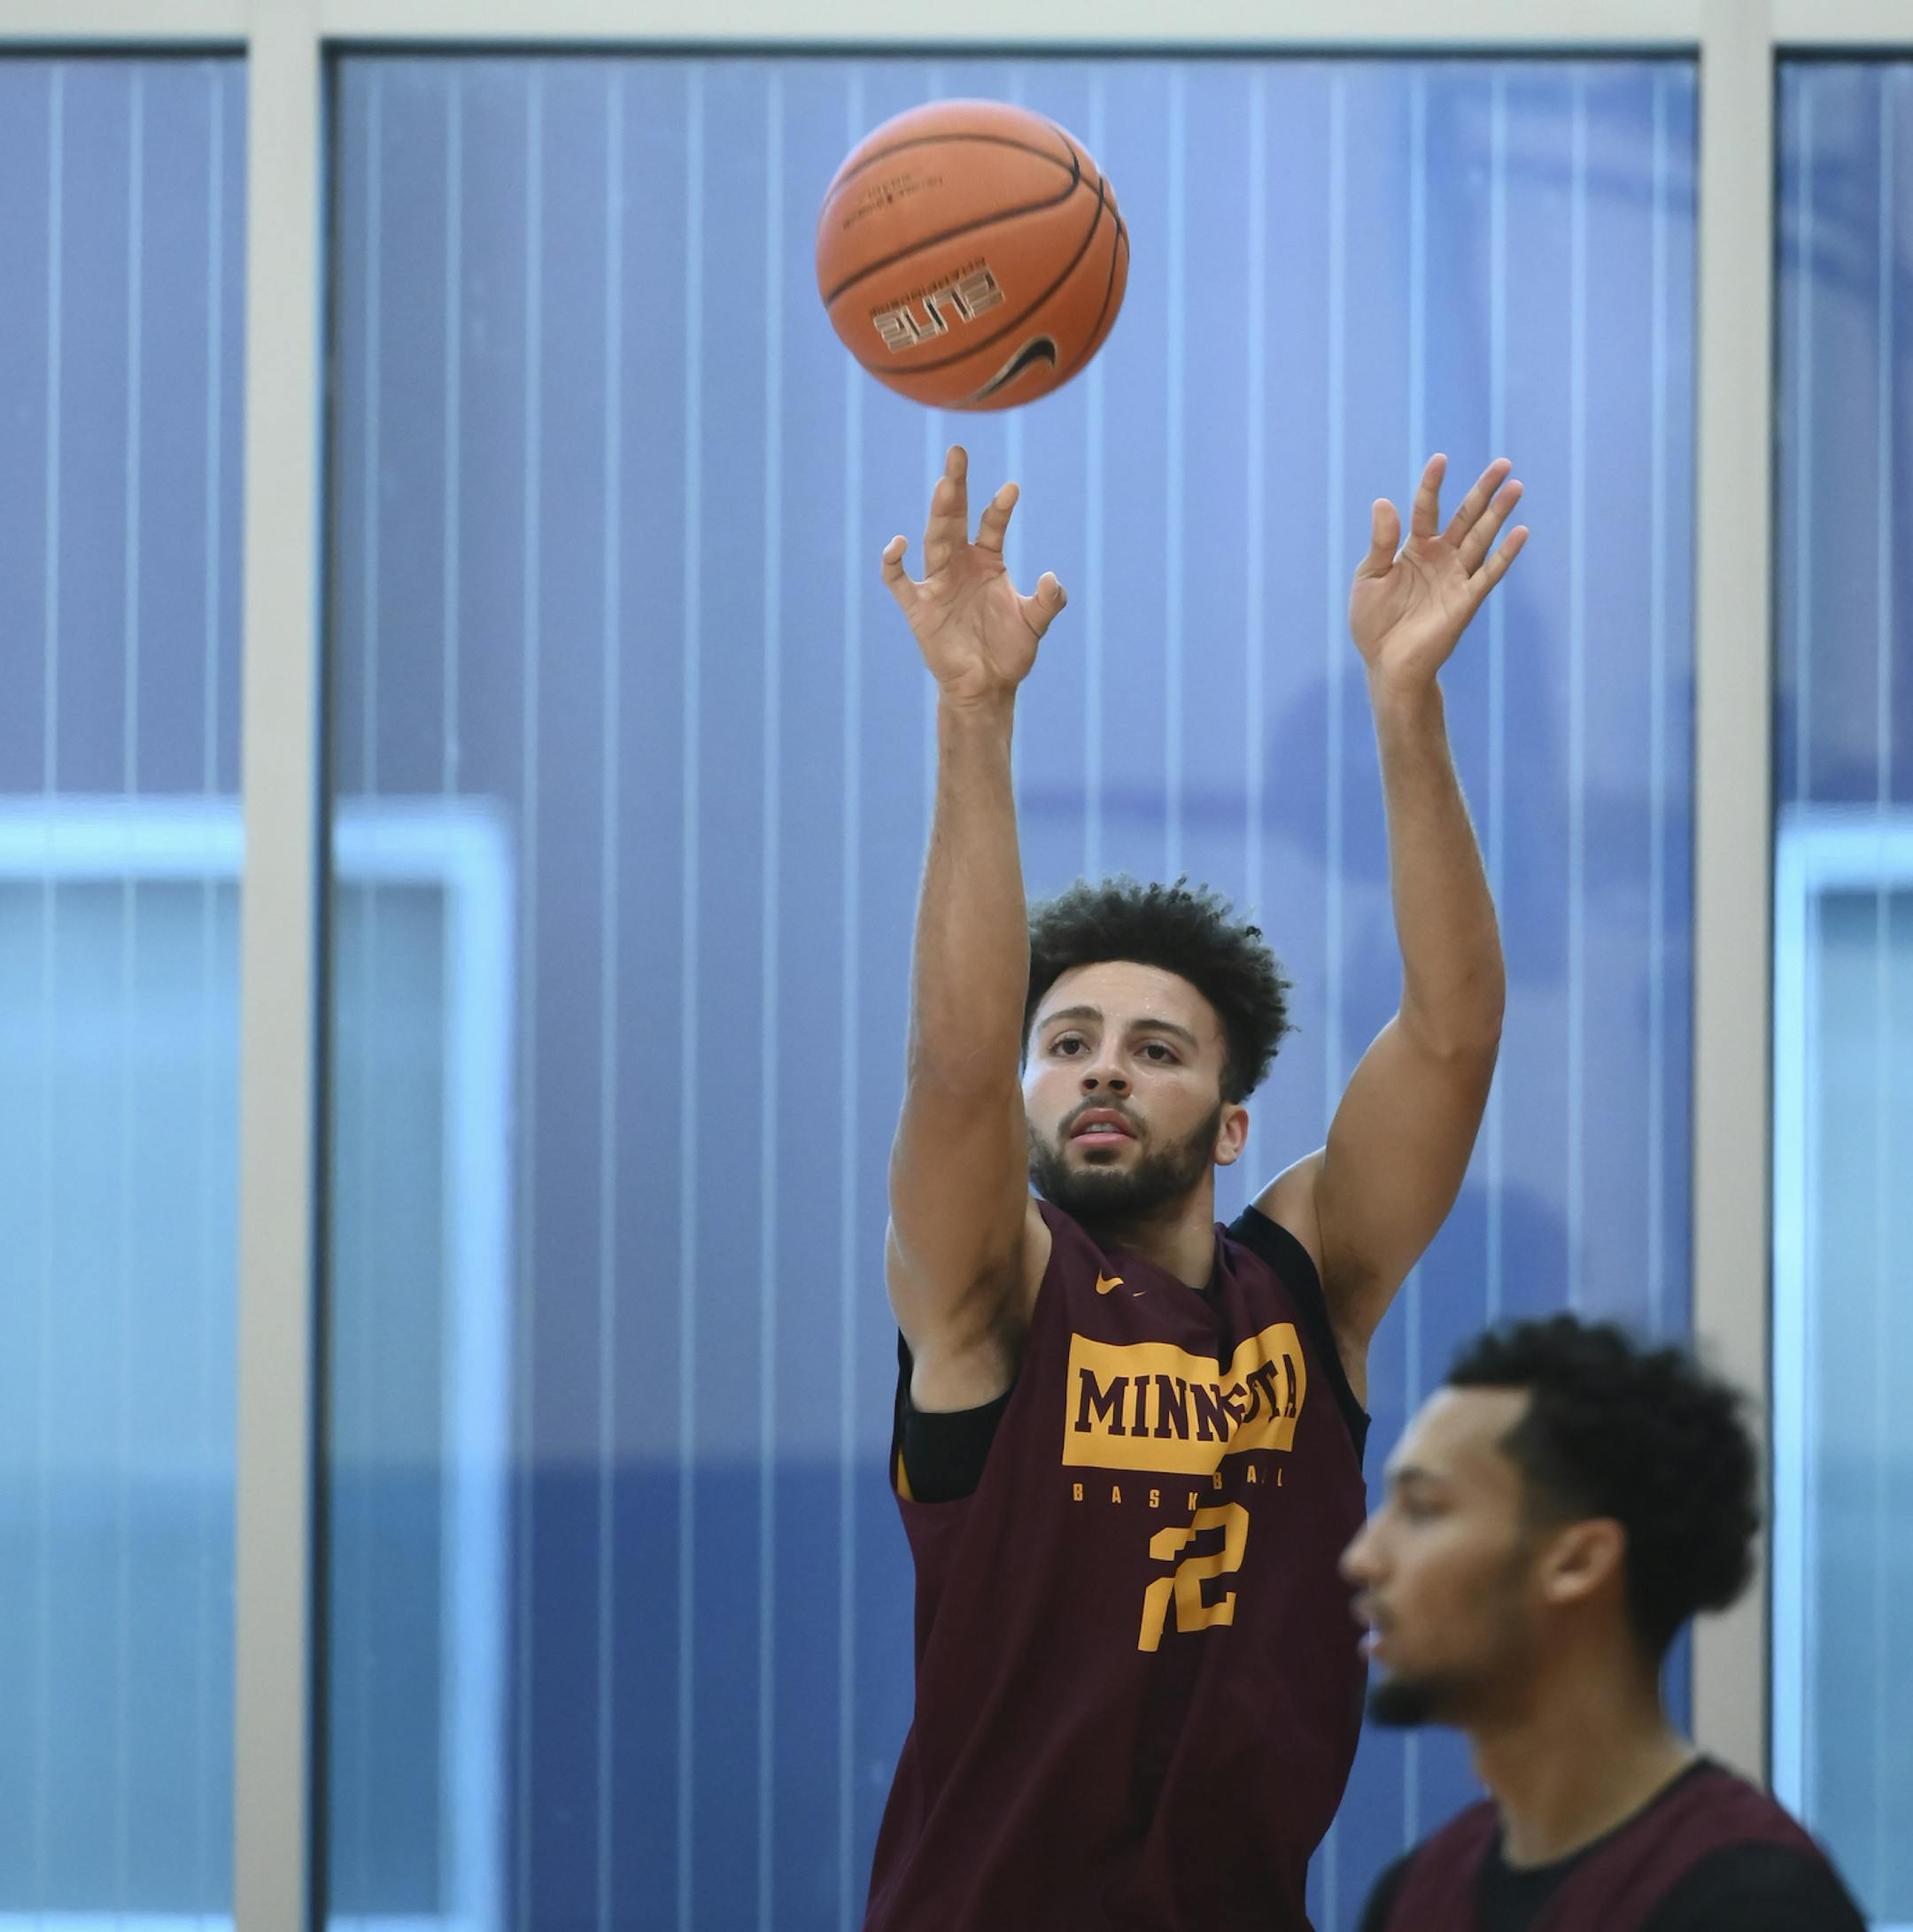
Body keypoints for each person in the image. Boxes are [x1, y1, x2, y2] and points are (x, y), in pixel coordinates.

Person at [863, 444, 1527, 1931]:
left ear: (1231, 1128)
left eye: (1155, 1050)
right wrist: (974, 714)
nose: (1102, 1068)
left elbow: (1455, 1035)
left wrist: (1405, 707)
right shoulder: (990, 1290)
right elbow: (954, 1070)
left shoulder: (1301, 1282)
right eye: (1068, 1044)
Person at [1344, 1315, 1867, 1932]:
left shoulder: (1756, 1906)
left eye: (1424, 1509)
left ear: (1578, 1563)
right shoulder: (1413, 1893)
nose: (1362, 1559)